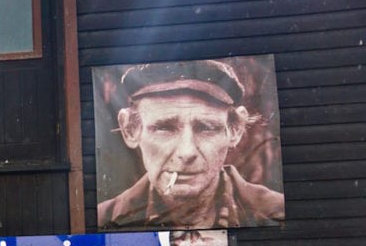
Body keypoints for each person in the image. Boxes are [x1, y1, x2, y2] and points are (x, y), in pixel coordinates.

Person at [98, 59, 284, 229]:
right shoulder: (103, 221)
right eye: (164, 128)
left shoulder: (276, 214)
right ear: (130, 130)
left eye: (207, 128)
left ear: (235, 131)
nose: (187, 152)